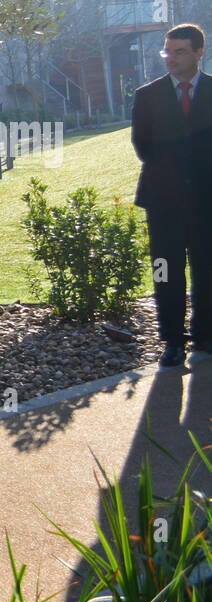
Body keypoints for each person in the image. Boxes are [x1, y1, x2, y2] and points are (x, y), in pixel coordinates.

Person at [132, 22, 212, 367]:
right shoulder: (147, 96)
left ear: (199, 52)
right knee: (165, 271)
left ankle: (206, 335)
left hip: (207, 201)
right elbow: (143, 146)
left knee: (207, 270)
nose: (171, 58)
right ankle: (172, 341)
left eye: (180, 51)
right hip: (163, 202)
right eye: (168, 51)